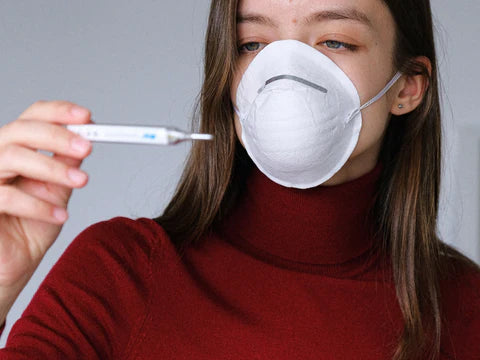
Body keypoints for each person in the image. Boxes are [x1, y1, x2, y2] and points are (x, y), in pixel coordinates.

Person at [0, 0, 478, 359]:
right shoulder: (120, 272)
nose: (284, 73)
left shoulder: (465, 306)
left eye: (335, 41)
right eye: (253, 44)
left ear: (409, 86)